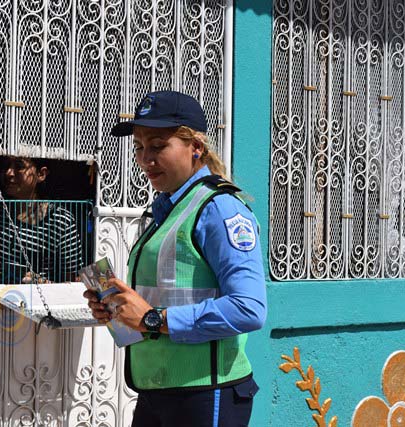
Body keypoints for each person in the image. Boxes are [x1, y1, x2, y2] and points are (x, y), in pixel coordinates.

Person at [83, 91, 267, 426]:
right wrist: (117, 309)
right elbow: (164, 297)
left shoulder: (220, 209)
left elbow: (249, 309)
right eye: (139, 147)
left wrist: (153, 319)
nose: (145, 159)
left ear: (195, 146)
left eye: (158, 146)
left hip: (205, 394)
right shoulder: (167, 209)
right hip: (157, 391)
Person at [0, 156, 83, 284]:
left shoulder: (60, 220)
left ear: (41, 174)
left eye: (19, 166)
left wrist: (41, 282)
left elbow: (72, 279)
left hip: (39, 295)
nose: (9, 173)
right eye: (6, 166)